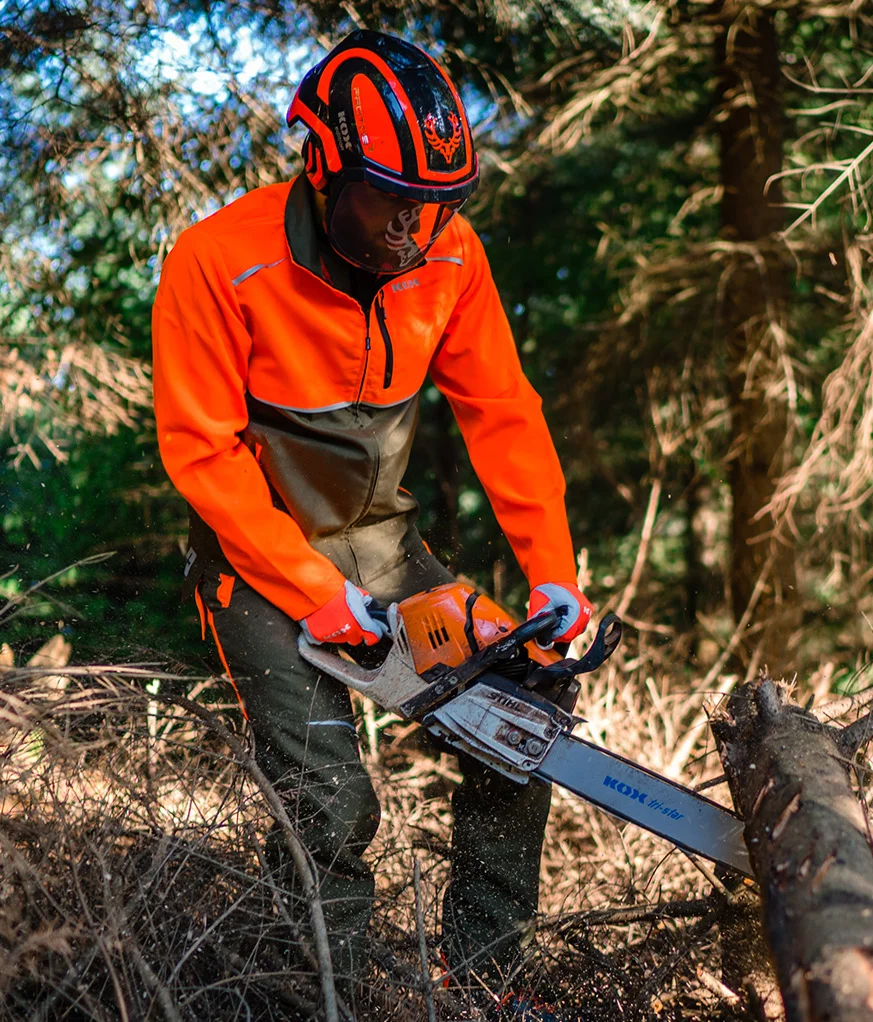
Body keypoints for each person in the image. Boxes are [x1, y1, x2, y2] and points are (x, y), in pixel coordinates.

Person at [150, 28, 593, 994]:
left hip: (386, 548)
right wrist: (310, 589)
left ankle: (484, 984)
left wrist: (551, 570)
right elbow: (203, 454)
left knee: (518, 728)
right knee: (331, 805)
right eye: (391, 203)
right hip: (260, 566)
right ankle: (320, 997)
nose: (412, 232)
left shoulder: (450, 256)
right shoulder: (218, 262)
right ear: (324, 170)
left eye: (433, 208)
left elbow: (503, 412)